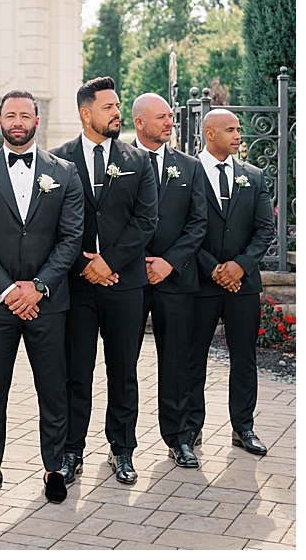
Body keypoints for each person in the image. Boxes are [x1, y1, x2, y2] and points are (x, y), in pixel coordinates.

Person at [0, 90, 84, 503]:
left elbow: (70, 239)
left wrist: (39, 287)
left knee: (53, 388)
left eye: (24, 115)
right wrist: (11, 291)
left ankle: (54, 469)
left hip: (48, 303)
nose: (17, 121)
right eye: (9, 115)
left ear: (36, 120)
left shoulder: (64, 173)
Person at [51, 77, 158, 486]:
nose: (117, 113)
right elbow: (53, 224)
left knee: (123, 372)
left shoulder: (138, 160)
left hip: (124, 285)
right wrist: (84, 265)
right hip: (76, 287)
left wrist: (109, 262)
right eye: (109, 106)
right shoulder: (57, 161)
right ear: (85, 113)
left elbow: (146, 220)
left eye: (118, 106)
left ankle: (122, 449)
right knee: (75, 372)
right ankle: (71, 450)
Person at [188, 108, 274, 456]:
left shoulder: (253, 176)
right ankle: (189, 431)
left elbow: (265, 228)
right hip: (200, 284)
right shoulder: (187, 173)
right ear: (209, 134)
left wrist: (239, 266)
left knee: (244, 358)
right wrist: (214, 269)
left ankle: (243, 428)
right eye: (231, 129)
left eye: (239, 129)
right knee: (193, 360)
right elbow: (181, 229)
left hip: (244, 285)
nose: (239, 135)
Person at [132, 93, 207, 468]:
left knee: (177, 362)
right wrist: (132, 261)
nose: (169, 123)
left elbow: (198, 223)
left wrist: (169, 262)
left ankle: (179, 439)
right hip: (128, 278)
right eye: (161, 117)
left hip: (175, 280)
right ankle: (121, 445)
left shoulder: (190, 167)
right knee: (122, 362)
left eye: (170, 117)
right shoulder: (118, 161)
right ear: (139, 123)